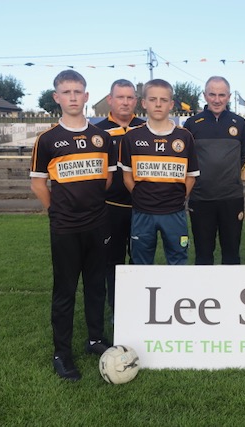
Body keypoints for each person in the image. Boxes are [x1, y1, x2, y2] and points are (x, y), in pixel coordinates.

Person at [30, 70, 114, 381]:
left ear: (87, 96)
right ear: (57, 97)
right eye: (67, 92)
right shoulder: (47, 139)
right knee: (65, 290)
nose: (73, 97)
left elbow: (106, 178)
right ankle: (61, 353)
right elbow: (38, 184)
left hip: (98, 224)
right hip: (65, 227)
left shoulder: (101, 137)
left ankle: (95, 339)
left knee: (96, 285)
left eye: (78, 91)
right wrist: (57, 210)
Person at [120, 79, 200, 265]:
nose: (158, 104)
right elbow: (127, 177)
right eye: (153, 99)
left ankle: (178, 294)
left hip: (174, 212)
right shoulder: (132, 137)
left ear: (171, 104)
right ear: (144, 103)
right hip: (143, 212)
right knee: (141, 263)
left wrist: (178, 197)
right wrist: (142, 196)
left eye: (163, 100)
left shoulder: (184, 137)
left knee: (178, 262)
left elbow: (191, 176)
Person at [183, 76, 245, 265]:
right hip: (201, 198)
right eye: (212, 94)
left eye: (221, 95)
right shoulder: (192, 124)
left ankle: (231, 293)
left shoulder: (240, 123)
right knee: (204, 254)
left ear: (229, 96)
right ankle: (204, 293)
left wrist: (230, 174)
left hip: (232, 197)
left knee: (231, 254)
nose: (217, 99)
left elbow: (244, 153)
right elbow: (187, 159)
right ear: (205, 95)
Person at [95, 79, 145, 313]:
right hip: (110, 208)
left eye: (129, 97)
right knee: (112, 263)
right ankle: (117, 311)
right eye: (120, 97)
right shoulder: (97, 132)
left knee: (140, 261)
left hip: (142, 208)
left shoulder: (146, 128)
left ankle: (140, 310)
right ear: (110, 100)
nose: (125, 102)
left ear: (136, 101)